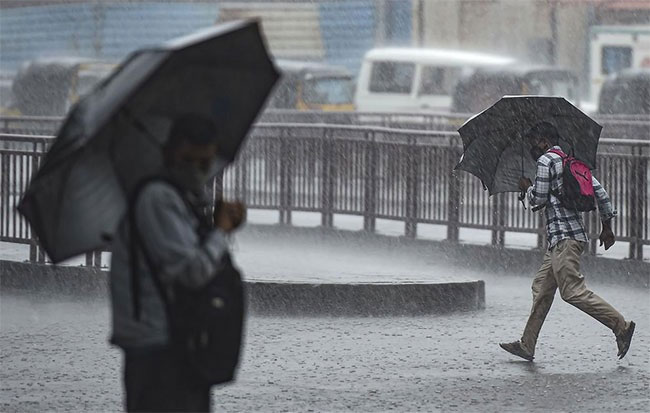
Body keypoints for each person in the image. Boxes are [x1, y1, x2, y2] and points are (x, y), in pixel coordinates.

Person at [109, 114, 246, 412]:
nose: (197, 171)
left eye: (205, 163)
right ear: (169, 153)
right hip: (158, 347)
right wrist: (220, 231)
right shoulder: (158, 198)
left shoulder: (179, 196)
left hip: (176, 343)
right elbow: (191, 272)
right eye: (189, 160)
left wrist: (215, 226)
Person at [499, 121, 635, 362]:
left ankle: (621, 326)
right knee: (541, 289)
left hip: (563, 239)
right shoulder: (570, 161)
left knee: (572, 292)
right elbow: (600, 194)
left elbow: (538, 200)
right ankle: (527, 345)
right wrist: (607, 227)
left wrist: (526, 189)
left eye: (533, 141)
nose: (531, 146)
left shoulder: (545, 161)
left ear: (544, 141)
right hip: (567, 239)